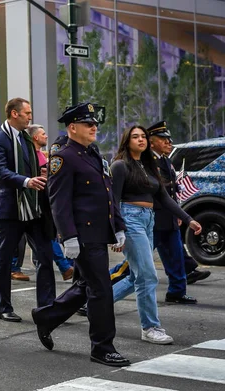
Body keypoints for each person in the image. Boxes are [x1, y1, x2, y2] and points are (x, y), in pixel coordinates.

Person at [31, 103, 130, 367]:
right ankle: (102, 347)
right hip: (83, 236)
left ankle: (46, 316)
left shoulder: (93, 153)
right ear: (73, 127)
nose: (94, 127)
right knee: (101, 289)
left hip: (99, 231)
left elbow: (108, 195)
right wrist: (68, 236)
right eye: (88, 124)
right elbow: (59, 201)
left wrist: (118, 226)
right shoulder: (64, 157)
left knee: (88, 285)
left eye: (94, 123)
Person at [110, 125, 202, 344]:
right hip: (130, 219)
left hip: (148, 219)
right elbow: (112, 201)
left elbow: (164, 197)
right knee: (148, 275)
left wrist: (189, 219)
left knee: (136, 276)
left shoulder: (149, 166)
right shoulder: (120, 166)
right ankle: (150, 327)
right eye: (135, 137)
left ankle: (96, 304)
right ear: (127, 140)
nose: (141, 140)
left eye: (143, 136)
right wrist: (117, 230)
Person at [0, 98, 56, 321]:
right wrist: (26, 181)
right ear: (14, 114)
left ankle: (47, 307)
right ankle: (4, 307)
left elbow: (33, 167)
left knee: (45, 257)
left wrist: (41, 176)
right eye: (27, 113)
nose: (30, 116)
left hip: (33, 208)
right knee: (5, 260)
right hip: (10, 210)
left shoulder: (27, 139)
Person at [148, 121, 198, 304]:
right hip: (153, 218)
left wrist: (178, 212)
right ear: (152, 142)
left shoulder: (165, 160)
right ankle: (102, 291)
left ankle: (177, 291)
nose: (169, 143)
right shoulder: (148, 162)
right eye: (164, 140)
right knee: (134, 265)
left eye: (169, 140)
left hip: (169, 217)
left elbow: (170, 192)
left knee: (176, 256)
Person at [28, 124, 75, 281]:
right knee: (47, 237)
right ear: (35, 137)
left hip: (48, 201)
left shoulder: (43, 155)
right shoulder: (31, 156)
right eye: (43, 134)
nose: (46, 136)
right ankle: (65, 266)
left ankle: (67, 265)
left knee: (53, 235)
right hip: (37, 203)